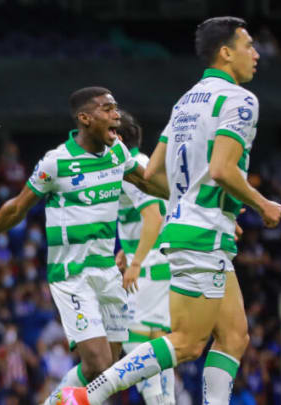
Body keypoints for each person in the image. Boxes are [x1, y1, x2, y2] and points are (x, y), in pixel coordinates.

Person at [57, 17, 281, 404]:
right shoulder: (240, 101)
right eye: (248, 45)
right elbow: (221, 169)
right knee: (186, 343)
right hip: (202, 234)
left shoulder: (186, 101)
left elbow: (153, 178)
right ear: (226, 53)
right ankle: (88, 396)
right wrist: (261, 203)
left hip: (201, 230)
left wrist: (225, 206)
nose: (256, 53)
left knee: (234, 336)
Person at [0, 86, 167, 405]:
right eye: (107, 109)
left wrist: (206, 206)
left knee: (106, 370)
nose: (116, 115)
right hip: (72, 276)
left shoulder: (118, 154)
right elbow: (16, 208)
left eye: (116, 108)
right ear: (84, 118)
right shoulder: (57, 163)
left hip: (107, 273)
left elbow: (153, 184)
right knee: (98, 364)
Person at [114, 110, 174, 405]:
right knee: (158, 339)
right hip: (159, 260)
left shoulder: (131, 168)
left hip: (151, 265)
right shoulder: (143, 161)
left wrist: (136, 262)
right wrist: (128, 249)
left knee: (131, 334)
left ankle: (156, 400)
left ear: (118, 138)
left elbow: (153, 217)